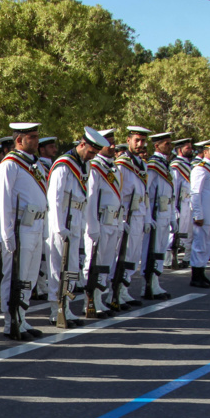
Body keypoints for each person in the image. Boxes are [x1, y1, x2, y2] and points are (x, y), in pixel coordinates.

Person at [45, 127, 106, 326]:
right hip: (62, 222)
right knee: (57, 268)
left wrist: (91, 225)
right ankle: (56, 309)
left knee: (71, 267)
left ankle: (67, 307)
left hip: (76, 220)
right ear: (81, 145)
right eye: (90, 152)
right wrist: (58, 226)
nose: (92, 156)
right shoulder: (63, 166)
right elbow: (54, 199)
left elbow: (86, 198)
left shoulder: (83, 166)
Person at [0, 122, 48, 339]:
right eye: (32, 137)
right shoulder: (10, 164)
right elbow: (4, 200)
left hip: (36, 225)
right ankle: (11, 322)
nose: (36, 141)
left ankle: (22, 317)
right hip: (20, 227)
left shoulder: (36, 164)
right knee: (15, 276)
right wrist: (6, 233)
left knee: (29, 277)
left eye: (36, 137)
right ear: (19, 141)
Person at [83, 128, 122, 319]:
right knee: (94, 264)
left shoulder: (112, 167)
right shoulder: (94, 168)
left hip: (112, 222)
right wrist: (92, 227)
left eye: (114, 142)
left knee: (106, 264)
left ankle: (99, 297)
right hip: (99, 222)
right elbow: (90, 199)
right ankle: (89, 301)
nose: (113, 146)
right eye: (109, 143)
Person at [114, 126, 150, 306]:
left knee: (133, 256)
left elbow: (146, 194)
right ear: (128, 141)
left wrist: (147, 217)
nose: (140, 144)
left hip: (138, 214)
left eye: (143, 140)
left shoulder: (142, 164)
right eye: (137, 140)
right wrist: (120, 219)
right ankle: (116, 291)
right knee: (123, 254)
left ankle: (125, 289)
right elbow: (118, 194)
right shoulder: (122, 164)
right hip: (127, 215)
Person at [188, 138, 210, 288]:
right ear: (205, 152)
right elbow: (195, 193)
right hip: (204, 215)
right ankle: (196, 276)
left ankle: (202, 273)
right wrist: (198, 214)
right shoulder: (200, 169)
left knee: (208, 246)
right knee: (199, 246)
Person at [143, 131, 173, 300]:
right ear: (157, 146)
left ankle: (156, 281)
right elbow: (145, 192)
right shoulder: (153, 165)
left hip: (165, 212)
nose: (170, 147)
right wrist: (148, 216)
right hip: (155, 213)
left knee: (160, 250)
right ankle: (148, 284)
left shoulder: (166, 165)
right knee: (151, 250)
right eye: (166, 144)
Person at [169, 137, 193, 269]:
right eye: (187, 148)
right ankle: (170, 259)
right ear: (180, 150)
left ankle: (187, 258)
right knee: (175, 233)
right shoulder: (176, 166)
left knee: (189, 232)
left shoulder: (190, 165)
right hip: (181, 204)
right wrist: (175, 207)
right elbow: (175, 187)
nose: (191, 150)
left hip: (189, 204)